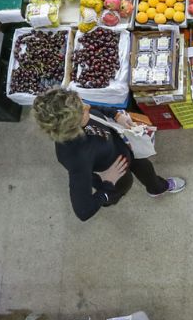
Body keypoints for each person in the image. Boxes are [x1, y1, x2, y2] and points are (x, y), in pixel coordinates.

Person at [33, 88, 185, 221]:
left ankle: (157, 188)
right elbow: (83, 211)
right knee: (120, 190)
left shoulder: (80, 111)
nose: (87, 105)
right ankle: (110, 200)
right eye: (83, 108)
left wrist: (116, 115)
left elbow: (95, 109)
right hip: (116, 175)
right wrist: (107, 186)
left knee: (146, 167)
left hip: (125, 149)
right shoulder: (75, 157)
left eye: (81, 101)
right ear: (72, 124)